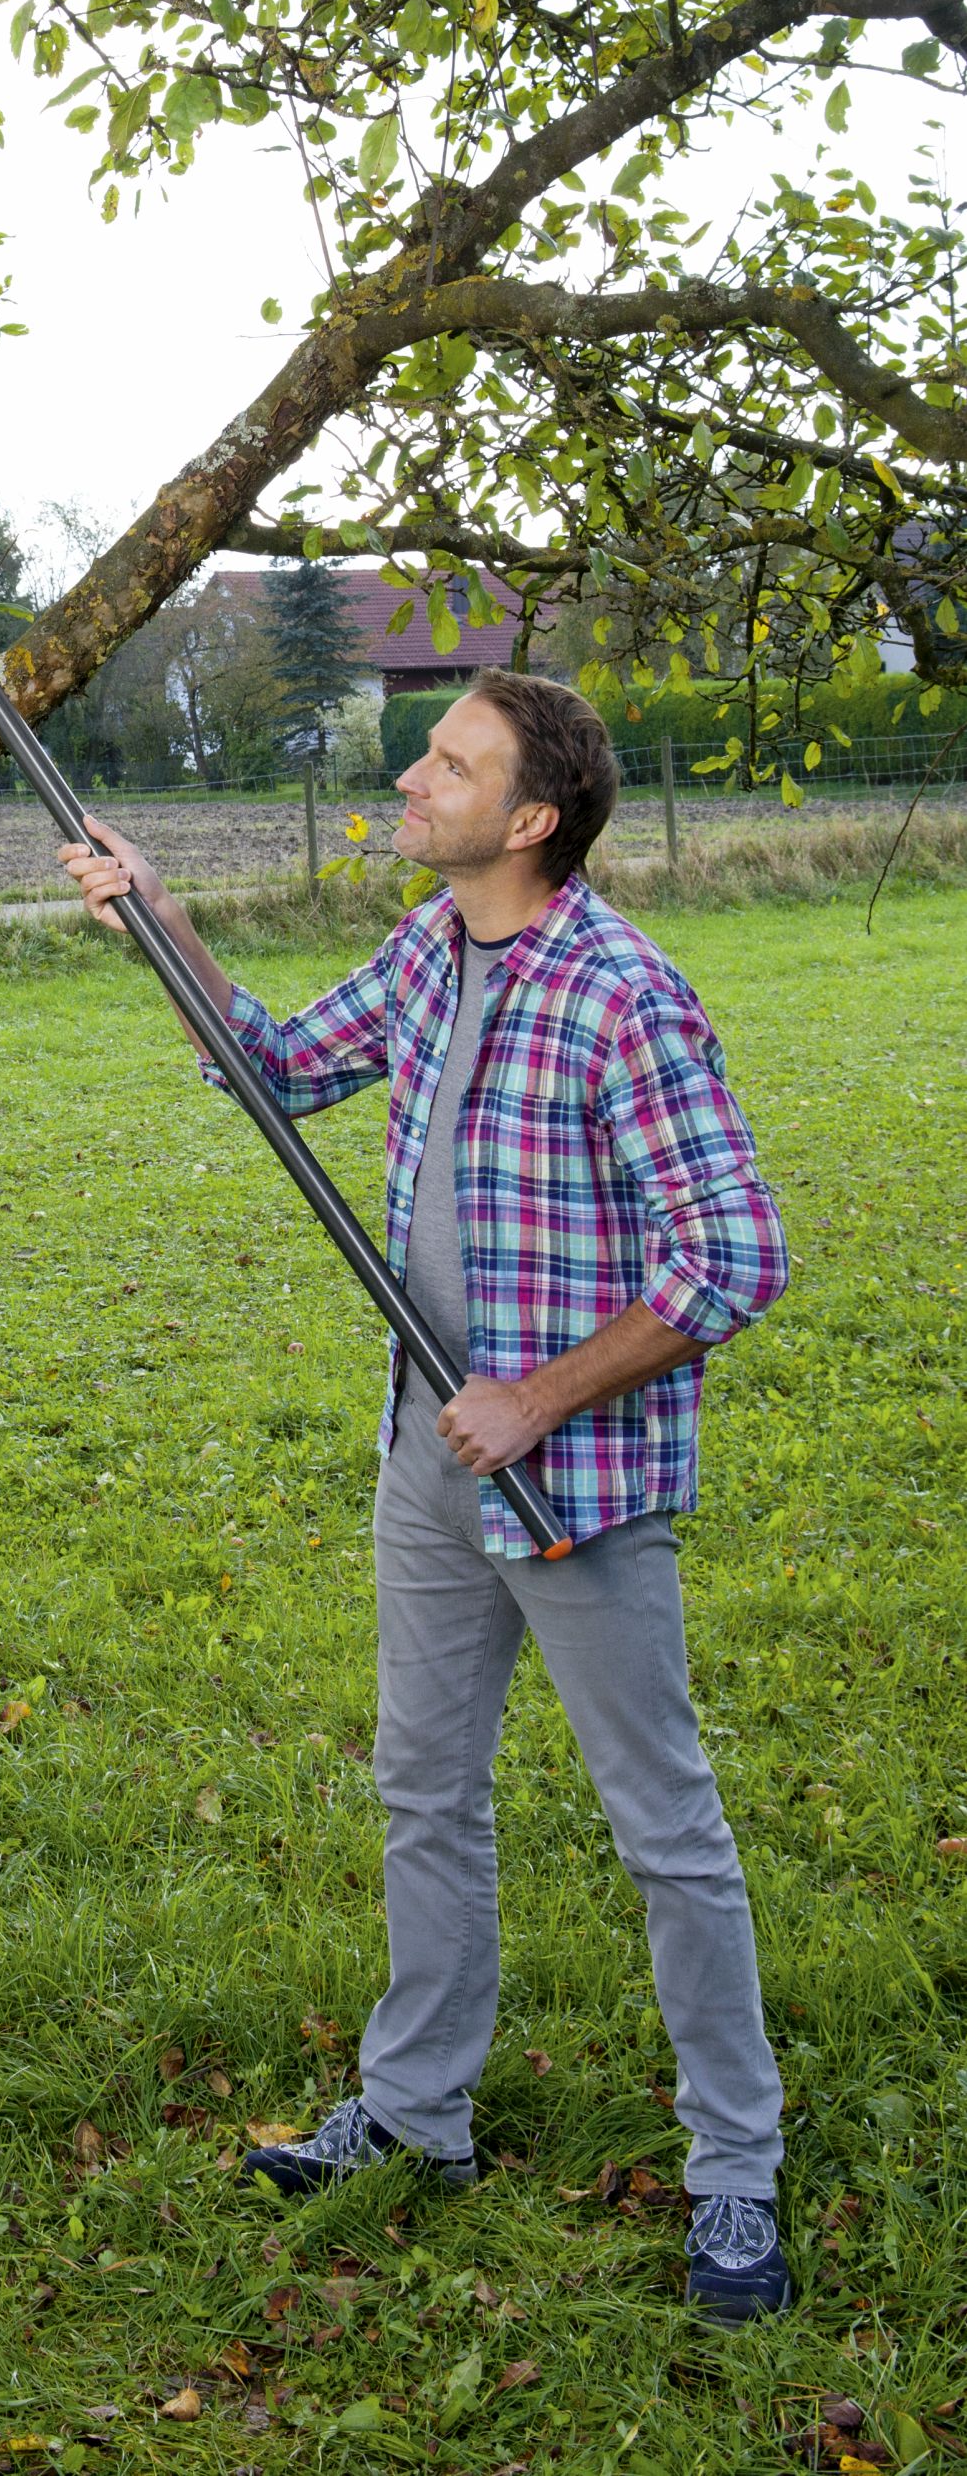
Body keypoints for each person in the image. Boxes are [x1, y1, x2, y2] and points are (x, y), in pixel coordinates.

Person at [58, 672, 793, 2325]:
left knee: (662, 1829)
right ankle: (415, 2114)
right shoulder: (426, 950)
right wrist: (156, 915)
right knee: (422, 1790)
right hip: (424, 1457)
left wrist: (535, 1395)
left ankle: (733, 2172)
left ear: (529, 820)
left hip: (575, 1482)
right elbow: (277, 1067)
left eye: (448, 762)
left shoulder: (623, 997)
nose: (412, 772)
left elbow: (733, 1256)